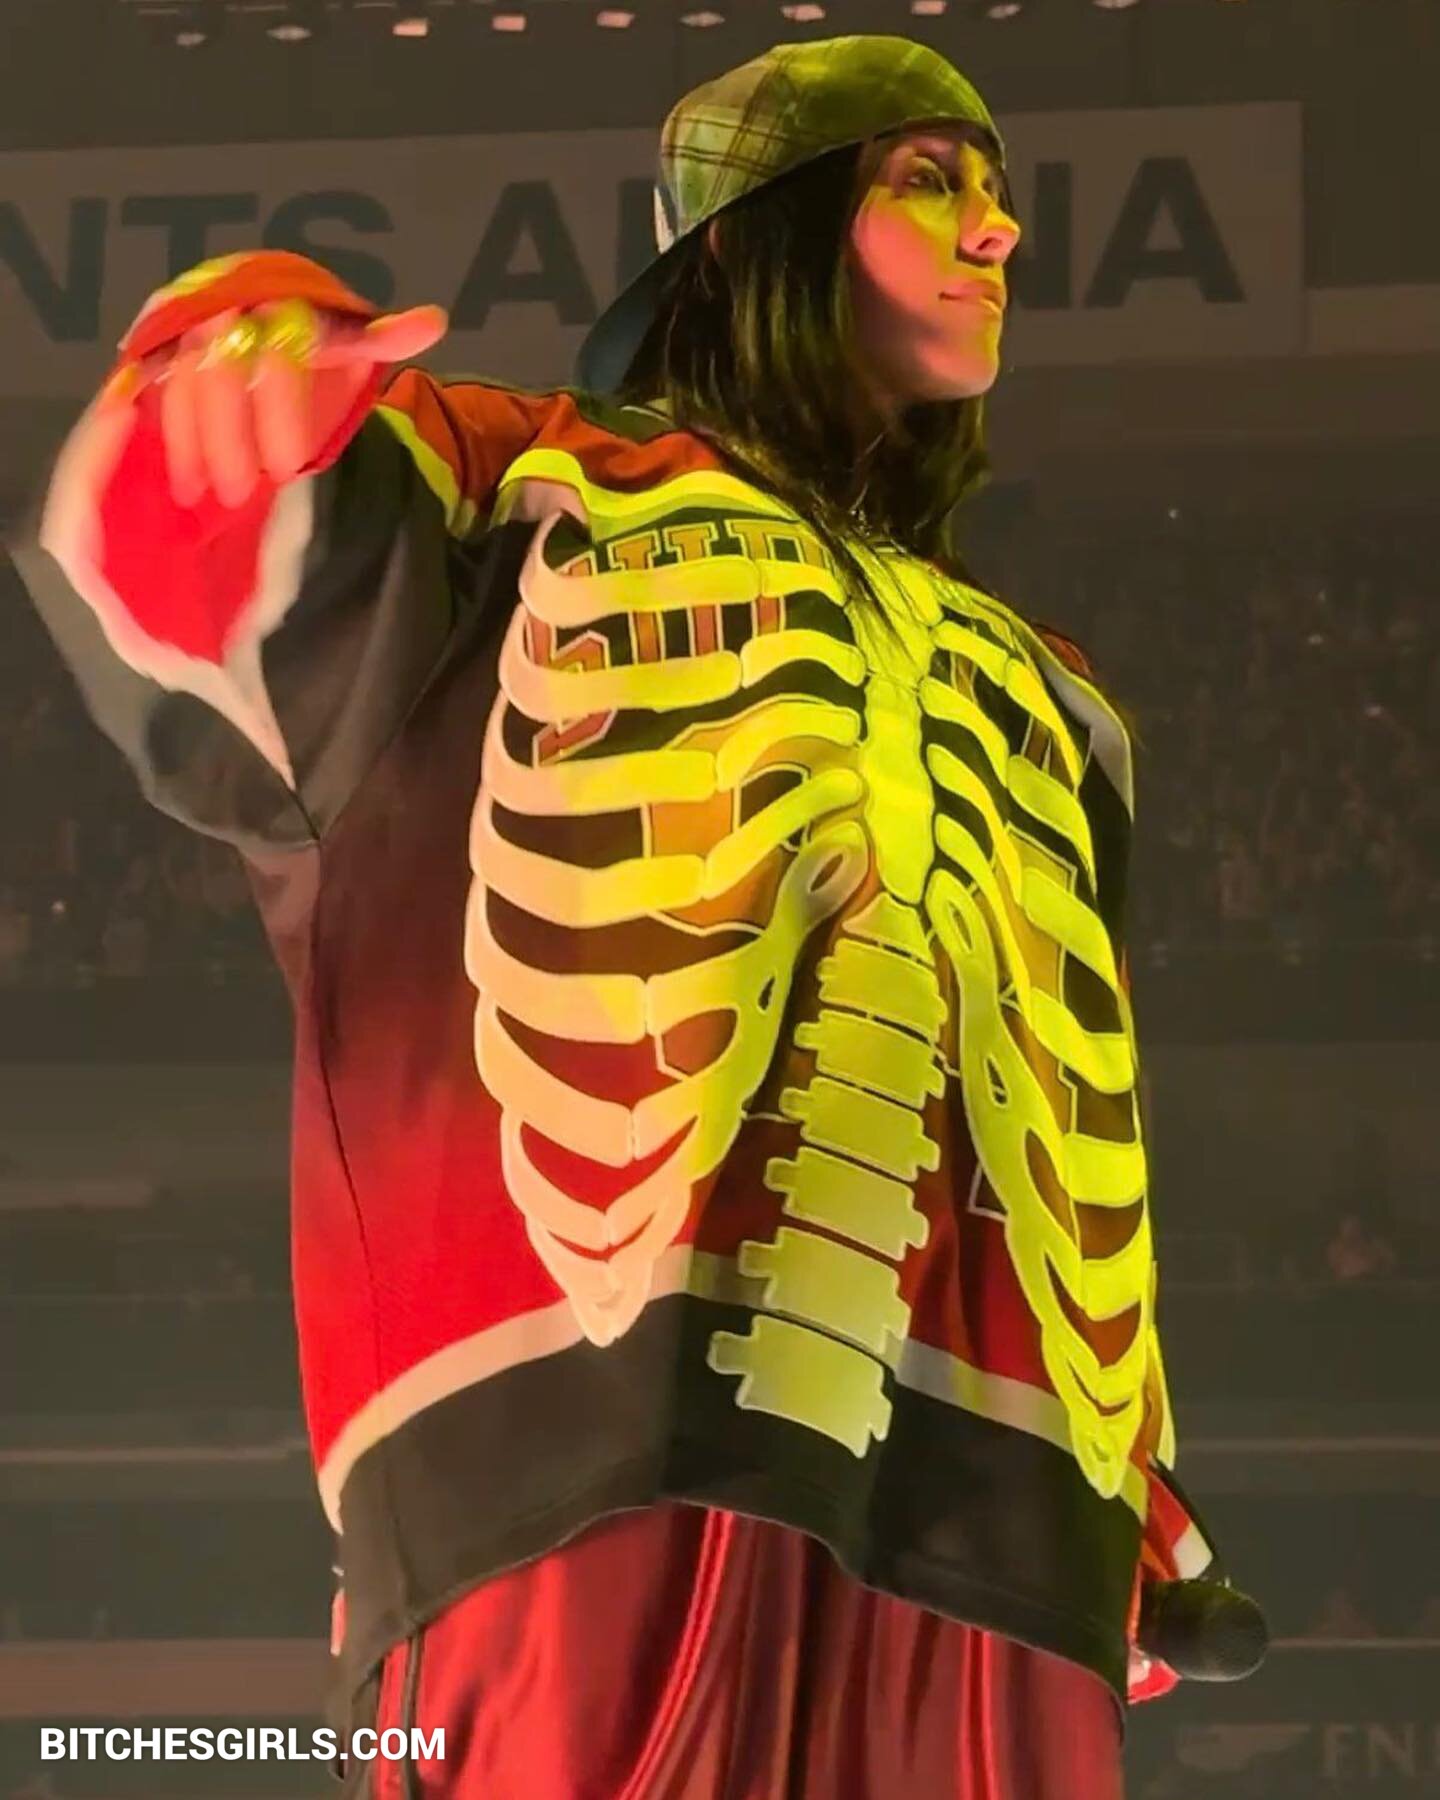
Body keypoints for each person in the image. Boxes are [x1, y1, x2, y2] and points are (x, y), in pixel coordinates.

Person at [9, 35, 1252, 1799]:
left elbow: (1067, 1109)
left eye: (992, 193)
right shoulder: (530, 485)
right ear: (754, 237)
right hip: (583, 1462)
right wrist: (229, 360)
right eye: (929, 182)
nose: (998, 233)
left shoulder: (1060, 700)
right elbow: (195, 557)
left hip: (1007, 1533)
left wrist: (1132, 1468)